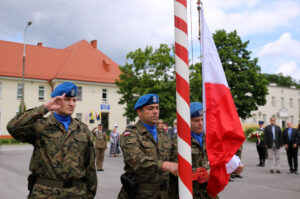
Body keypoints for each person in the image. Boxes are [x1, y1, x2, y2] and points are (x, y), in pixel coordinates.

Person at [6, 82, 97, 199]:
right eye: (67, 99)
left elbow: (90, 165)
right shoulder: (41, 125)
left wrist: (89, 193)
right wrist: (46, 107)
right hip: (45, 193)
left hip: (76, 193)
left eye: (74, 100)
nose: (72, 104)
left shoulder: (82, 129)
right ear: (56, 100)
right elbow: (13, 127)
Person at [169, 102, 244, 199]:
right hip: (189, 194)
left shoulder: (213, 138)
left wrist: (234, 168)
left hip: (209, 193)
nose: (200, 123)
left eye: (202, 119)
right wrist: (203, 174)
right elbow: (177, 170)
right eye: (196, 120)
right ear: (188, 121)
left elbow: (222, 161)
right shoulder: (179, 142)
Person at [118, 93, 177, 199]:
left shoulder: (164, 134)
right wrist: (165, 165)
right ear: (139, 112)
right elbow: (137, 161)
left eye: (157, 108)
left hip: (164, 194)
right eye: (150, 108)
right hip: (140, 194)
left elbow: (174, 159)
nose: (155, 111)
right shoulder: (131, 134)